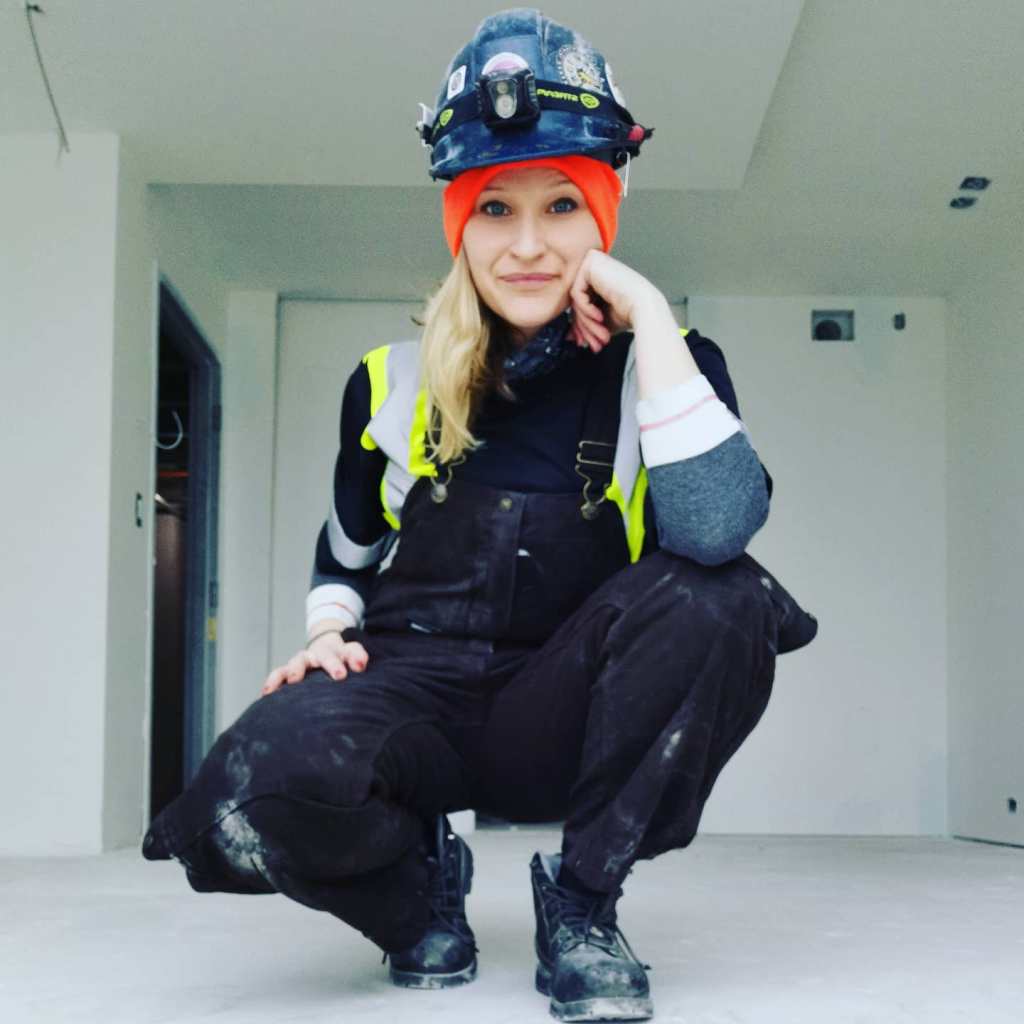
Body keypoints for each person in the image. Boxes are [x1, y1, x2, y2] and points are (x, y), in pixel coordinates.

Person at [142, 8, 817, 1021]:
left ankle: (582, 907)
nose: (529, 245)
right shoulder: (389, 382)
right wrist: (326, 632)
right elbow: (346, 550)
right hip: (411, 694)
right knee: (241, 796)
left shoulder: (667, 369)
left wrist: (651, 316)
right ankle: (419, 901)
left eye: (563, 205)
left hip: (564, 705)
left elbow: (716, 530)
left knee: (721, 595)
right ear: (460, 223)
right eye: (495, 208)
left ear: (604, 216)